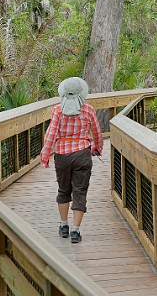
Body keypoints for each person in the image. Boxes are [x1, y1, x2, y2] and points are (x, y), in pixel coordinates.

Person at [40, 77, 103, 244]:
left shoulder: (57, 111)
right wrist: (97, 148)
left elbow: (50, 135)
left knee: (63, 190)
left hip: (62, 155)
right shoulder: (88, 110)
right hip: (82, 154)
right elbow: (96, 132)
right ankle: (75, 230)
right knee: (79, 192)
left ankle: (63, 225)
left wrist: (45, 157)